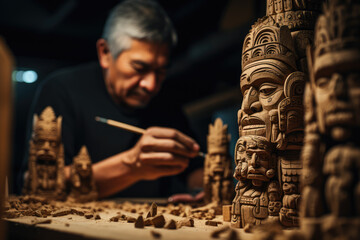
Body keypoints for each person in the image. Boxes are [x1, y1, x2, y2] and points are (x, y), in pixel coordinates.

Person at [20, 0, 203, 199]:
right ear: (105, 53)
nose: (151, 85)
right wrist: (131, 166)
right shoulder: (61, 90)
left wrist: (202, 190)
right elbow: (38, 186)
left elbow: (196, 167)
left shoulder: (165, 102)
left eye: (160, 71)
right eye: (139, 68)